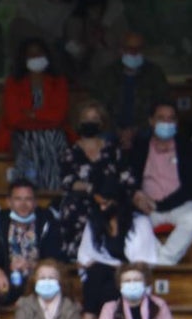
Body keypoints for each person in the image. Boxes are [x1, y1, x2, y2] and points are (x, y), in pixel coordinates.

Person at [0, 179, 63, 319]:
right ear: (9, 202)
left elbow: (56, 262)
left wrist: (32, 266)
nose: (23, 204)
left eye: (28, 199)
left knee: (49, 280)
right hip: (8, 281)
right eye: (18, 199)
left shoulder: (47, 221)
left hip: (36, 280)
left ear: (35, 202)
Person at [76, 173, 159, 319]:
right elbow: (84, 258)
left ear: (118, 201)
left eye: (106, 203)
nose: (102, 208)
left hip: (129, 276)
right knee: (98, 272)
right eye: (99, 204)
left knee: (106, 280)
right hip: (99, 276)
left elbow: (142, 264)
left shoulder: (139, 223)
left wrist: (117, 268)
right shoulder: (95, 222)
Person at [58, 100, 136, 261]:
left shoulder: (113, 149)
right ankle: (75, 258)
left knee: (118, 210)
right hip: (82, 199)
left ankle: (112, 256)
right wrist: (92, 190)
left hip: (111, 198)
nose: (90, 122)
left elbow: (126, 178)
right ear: (79, 121)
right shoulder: (70, 152)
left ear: (101, 123)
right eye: (86, 118)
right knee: (74, 208)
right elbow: (68, 180)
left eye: (95, 118)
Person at [129, 101, 192, 265]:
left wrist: (161, 205)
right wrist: (136, 194)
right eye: (161, 118)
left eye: (171, 119)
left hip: (180, 205)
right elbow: (127, 179)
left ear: (177, 123)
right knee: (128, 223)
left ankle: (163, 262)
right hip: (147, 207)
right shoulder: (139, 147)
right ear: (151, 121)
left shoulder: (189, 149)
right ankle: (161, 260)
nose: (166, 123)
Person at [0, 37, 72, 191]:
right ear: (24, 59)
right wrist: (43, 118)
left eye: (39, 54)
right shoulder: (13, 82)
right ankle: (30, 192)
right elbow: (14, 118)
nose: (36, 58)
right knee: (34, 144)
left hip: (54, 134)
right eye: (31, 55)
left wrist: (33, 115)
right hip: (22, 134)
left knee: (50, 142)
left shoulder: (58, 81)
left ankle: (52, 193)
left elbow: (58, 116)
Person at [90, 31, 170, 151]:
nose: (134, 53)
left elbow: (162, 104)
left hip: (145, 128)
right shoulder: (107, 74)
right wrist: (118, 131)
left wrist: (135, 130)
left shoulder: (154, 74)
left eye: (138, 49)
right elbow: (99, 107)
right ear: (121, 50)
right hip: (112, 129)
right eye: (129, 49)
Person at [61, 0, 129, 85]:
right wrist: (89, 46)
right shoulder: (74, 20)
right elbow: (71, 49)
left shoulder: (115, 15)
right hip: (90, 74)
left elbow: (126, 41)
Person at [7, 0, 80, 62]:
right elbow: (22, 29)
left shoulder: (75, 8)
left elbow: (74, 47)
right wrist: (52, 40)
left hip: (58, 56)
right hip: (34, 52)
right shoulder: (32, 4)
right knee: (18, 24)